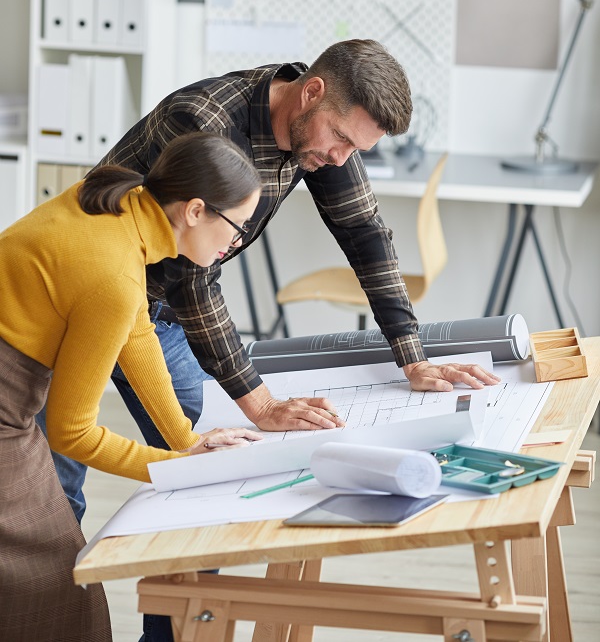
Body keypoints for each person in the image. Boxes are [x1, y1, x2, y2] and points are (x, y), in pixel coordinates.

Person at [44, 38, 500, 526]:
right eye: (342, 139)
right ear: (312, 92)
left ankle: (187, 604)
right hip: (72, 300)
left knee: (210, 482)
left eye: (356, 149)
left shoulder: (320, 137)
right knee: (53, 497)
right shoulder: (205, 121)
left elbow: (364, 234)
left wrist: (412, 356)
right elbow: (193, 279)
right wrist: (259, 402)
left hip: (149, 317)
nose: (343, 158)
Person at [0, 132, 273, 642]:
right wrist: (179, 470)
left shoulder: (121, 202)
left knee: (54, 569)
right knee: (54, 579)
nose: (233, 245)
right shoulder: (113, 276)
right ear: (194, 210)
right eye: (236, 228)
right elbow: (73, 435)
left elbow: (138, 331)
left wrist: (185, 440)